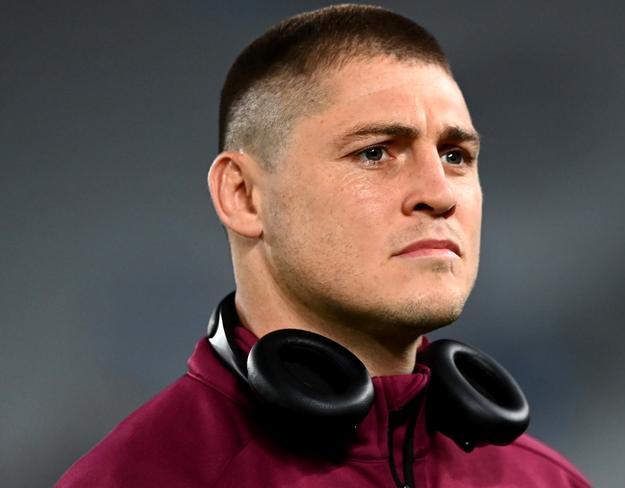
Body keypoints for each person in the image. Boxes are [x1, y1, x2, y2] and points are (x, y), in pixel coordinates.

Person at [56, 5, 591, 487]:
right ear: (243, 196)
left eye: (455, 155)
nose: (439, 194)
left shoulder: (545, 480)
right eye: (376, 152)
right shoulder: (131, 479)